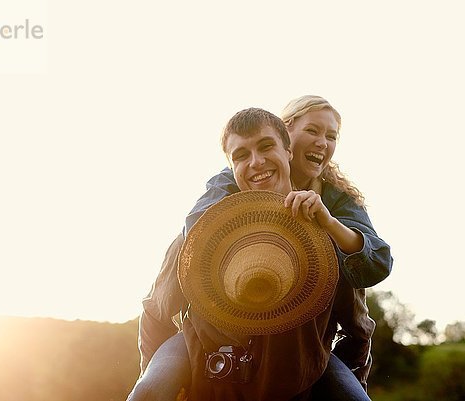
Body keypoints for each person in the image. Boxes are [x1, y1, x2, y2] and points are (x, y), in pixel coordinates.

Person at [130, 97, 392, 400]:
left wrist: (352, 381)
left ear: (287, 150)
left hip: (302, 352)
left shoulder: (327, 225)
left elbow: (359, 316)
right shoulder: (213, 214)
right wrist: (156, 376)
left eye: (331, 135)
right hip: (206, 345)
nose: (256, 162)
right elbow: (158, 305)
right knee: (148, 392)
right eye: (242, 155)